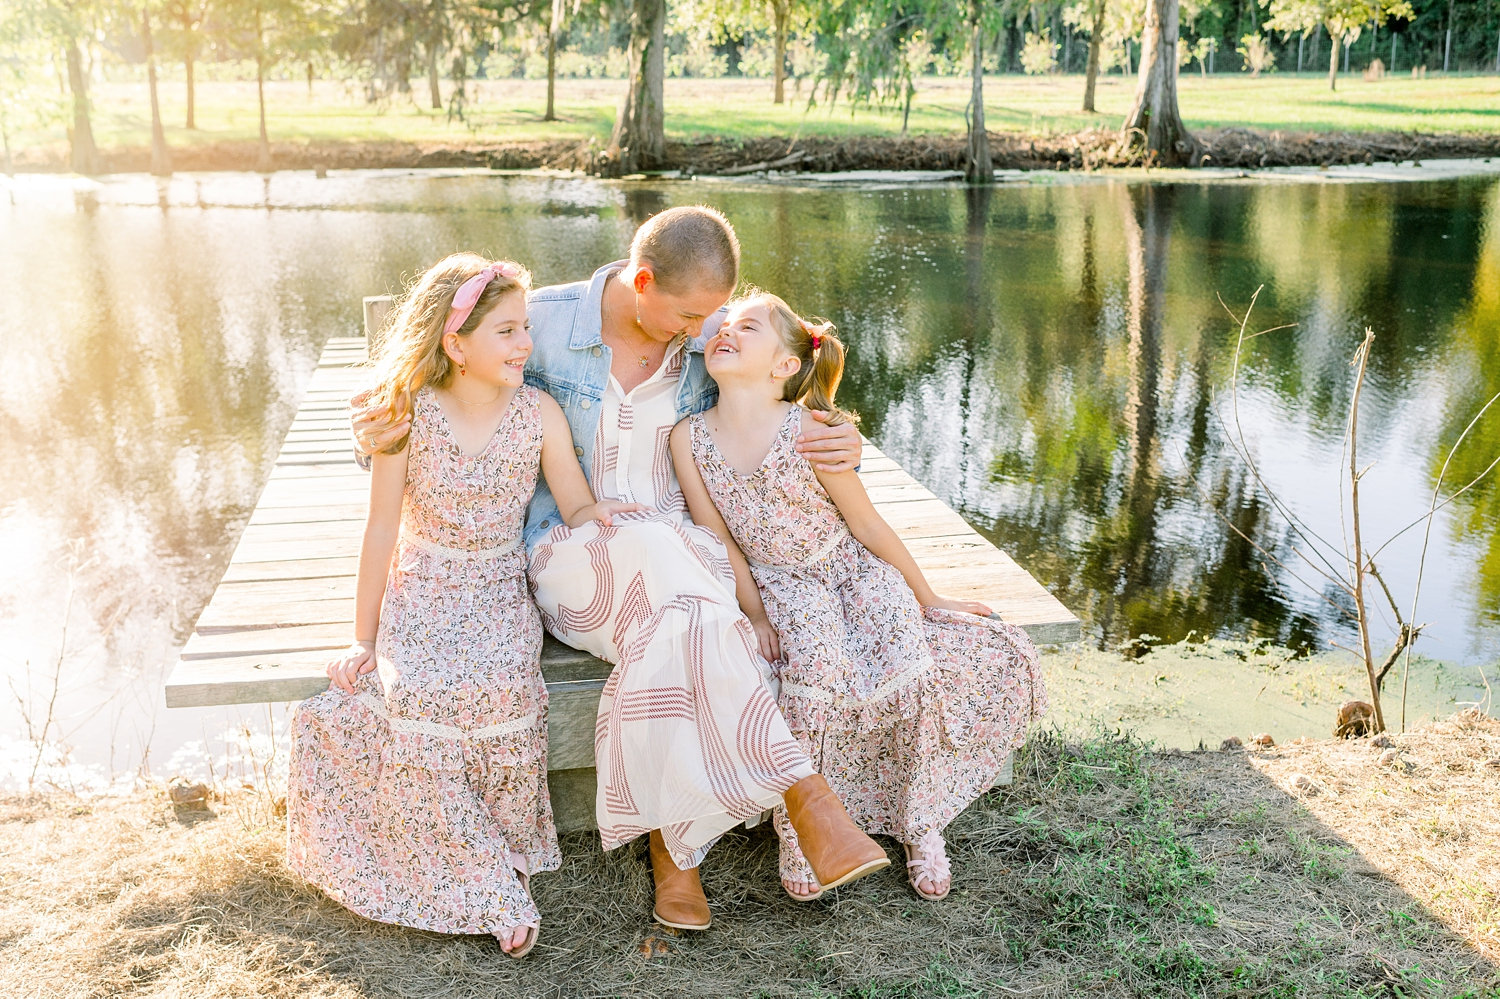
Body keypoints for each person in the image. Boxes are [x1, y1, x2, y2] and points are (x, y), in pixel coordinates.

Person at [352, 207, 889, 933]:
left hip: (684, 561)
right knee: (671, 571)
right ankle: (797, 786)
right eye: (691, 314)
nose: (704, 331)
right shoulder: (535, 323)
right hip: (572, 551)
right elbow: (435, 388)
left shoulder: (707, 345)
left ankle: (680, 850)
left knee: (685, 611)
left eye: (715, 316)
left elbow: (784, 388)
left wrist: (839, 429)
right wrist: (374, 431)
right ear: (642, 282)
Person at [288, 254, 639, 958]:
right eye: (506, 331)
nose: (524, 345)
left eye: (525, 329)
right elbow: (381, 530)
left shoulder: (537, 414)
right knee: (417, 694)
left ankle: (490, 847)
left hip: (496, 592)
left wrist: (607, 516)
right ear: (455, 344)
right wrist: (364, 638)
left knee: (504, 689)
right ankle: (484, 879)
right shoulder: (408, 416)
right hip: (421, 591)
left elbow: (573, 500)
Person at [668, 291, 1048, 902]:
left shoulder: (812, 431)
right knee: (816, 676)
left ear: (786, 366)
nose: (726, 332)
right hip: (780, 585)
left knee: (905, 660)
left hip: (852, 570)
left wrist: (928, 597)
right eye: (723, 325)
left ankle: (920, 822)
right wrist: (757, 612)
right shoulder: (688, 439)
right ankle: (809, 837)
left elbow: (867, 525)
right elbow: (718, 538)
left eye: (748, 327)